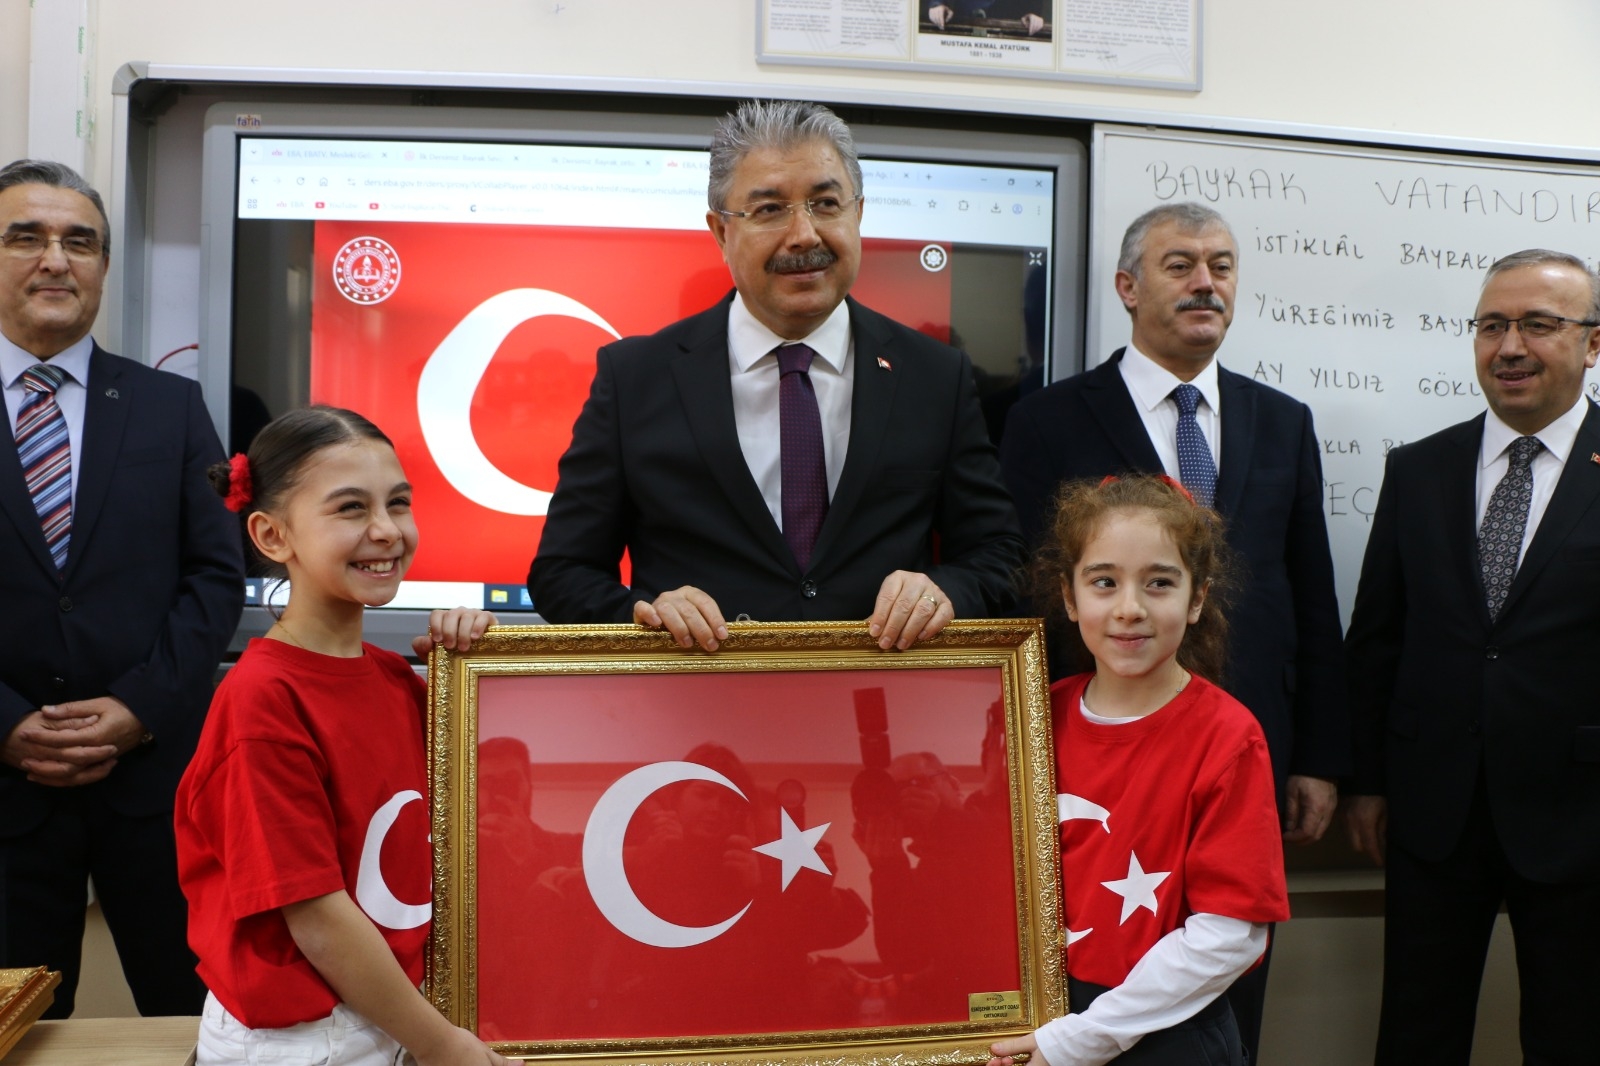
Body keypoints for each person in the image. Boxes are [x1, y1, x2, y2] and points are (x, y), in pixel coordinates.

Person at [998, 202, 1347, 1058]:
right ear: (1127, 286)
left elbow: (1311, 594)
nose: (1205, 283)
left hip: (1245, 745)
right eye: (1180, 264)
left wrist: (1319, 755)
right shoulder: (1046, 418)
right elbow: (1019, 594)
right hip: (1098, 753)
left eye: (1221, 266)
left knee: (1223, 991)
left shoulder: (1284, 419)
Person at [528, 99, 1024, 653]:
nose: (804, 235)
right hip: (697, 696)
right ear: (721, 231)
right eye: (769, 210)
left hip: (878, 692)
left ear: (858, 214)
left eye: (826, 204)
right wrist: (641, 614)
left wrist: (945, 590)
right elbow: (562, 572)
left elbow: (1000, 554)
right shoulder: (634, 378)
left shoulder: (934, 375)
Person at [174, 406, 505, 1066]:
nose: (386, 530)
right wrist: (441, 1045)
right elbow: (316, 917)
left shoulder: (396, 677)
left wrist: (473, 676)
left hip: (392, 1013)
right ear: (272, 535)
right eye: (351, 508)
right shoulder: (262, 700)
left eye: (398, 503)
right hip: (304, 1040)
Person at [1343, 249, 1600, 1064]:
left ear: (1593, 343)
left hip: (1582, 814)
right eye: (1492, 326)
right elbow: (1378, 637)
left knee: (1574, 1035)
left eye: (1539, 324)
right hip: (1432, 808)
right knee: (1417, 1033)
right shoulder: (1419, 468)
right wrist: (1367, 781)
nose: (1510, 346)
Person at [0, 158, 243, 1016]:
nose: (55, 259)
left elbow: (216, 576)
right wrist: (6, 725)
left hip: (155, 790)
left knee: (198, 1024)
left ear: (103, 265)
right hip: (4, 792)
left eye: (80, 242)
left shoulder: (171, 407)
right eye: (25, 237)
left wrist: (139, 706)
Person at [989, 475, 1287, 1066]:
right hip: (1041, 1020)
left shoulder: (1228, 736)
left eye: (1159, 583)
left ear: (1196, 599)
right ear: (1070, 598)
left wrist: (1084, 1039)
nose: (1130, 608)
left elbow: (1231, 935)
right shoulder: (1028, 714)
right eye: (1104, 582)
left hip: (1167, 1032)